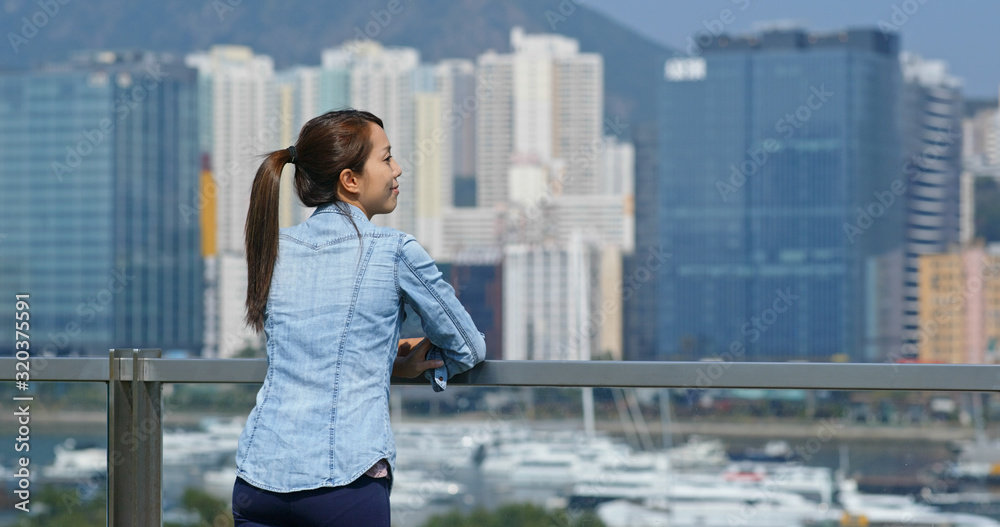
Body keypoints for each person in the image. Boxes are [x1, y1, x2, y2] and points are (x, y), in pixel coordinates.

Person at [233, 109, 486, 526]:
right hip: (344, 485)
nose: (398, 168)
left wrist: (383, 361)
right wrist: (402, 367)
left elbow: (315, 349)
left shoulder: (275, 247)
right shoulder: (394, 249)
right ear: (350, 180)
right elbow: (468, 346)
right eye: (386, 158)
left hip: (259, 478)